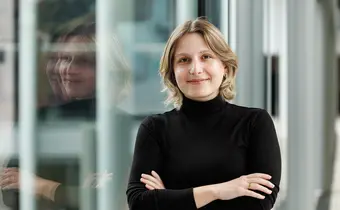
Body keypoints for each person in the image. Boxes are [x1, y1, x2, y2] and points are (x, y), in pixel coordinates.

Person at [126, 17, 281, 210]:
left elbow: (259, 204)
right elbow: (139, 204)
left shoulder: (255, 123)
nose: (195, 69)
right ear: (173, 73)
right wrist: (219, 190)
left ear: (224, 66)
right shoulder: (154, 129)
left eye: (206, 57)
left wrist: (170, 199)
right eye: (184, 60)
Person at [1, 22, 132, 210]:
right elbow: (11, 193)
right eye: (60, 58)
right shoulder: (36, 121)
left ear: (108, 68)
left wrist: (39, 185)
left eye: (82, 61)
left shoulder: (124, 127)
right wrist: (72, 192)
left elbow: (106, 200)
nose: (66, 69)